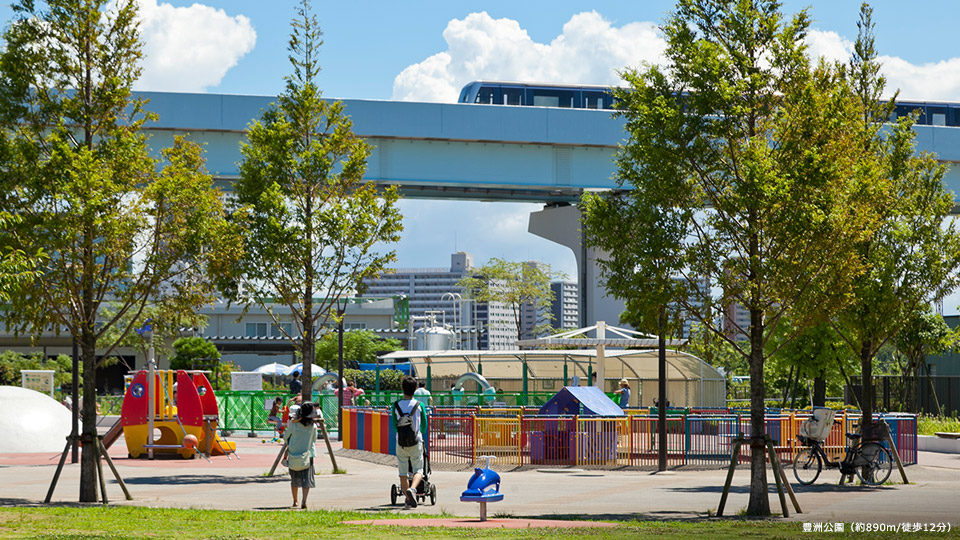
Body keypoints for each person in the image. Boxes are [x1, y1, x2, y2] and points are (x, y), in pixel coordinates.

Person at [392, 376, 428, 509]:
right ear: (415, 390)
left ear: (403, 389)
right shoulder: (420, 405)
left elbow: (394, 425)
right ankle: (413, 489)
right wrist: (420, 433)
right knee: (419, 469)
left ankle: (408, 500)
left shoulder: (395, 405)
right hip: (416, 441)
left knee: (403, 471)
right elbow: (424, 425)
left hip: (400, 442)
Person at [283, 401, 318, 509]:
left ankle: (295, 501)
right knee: (306, 479)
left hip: (294, 453)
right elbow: (314, 439)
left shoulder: (294, 424)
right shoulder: (313, 426)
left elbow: (285, 436)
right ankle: (304, 501)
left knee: (294, 479)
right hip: (308, 454)